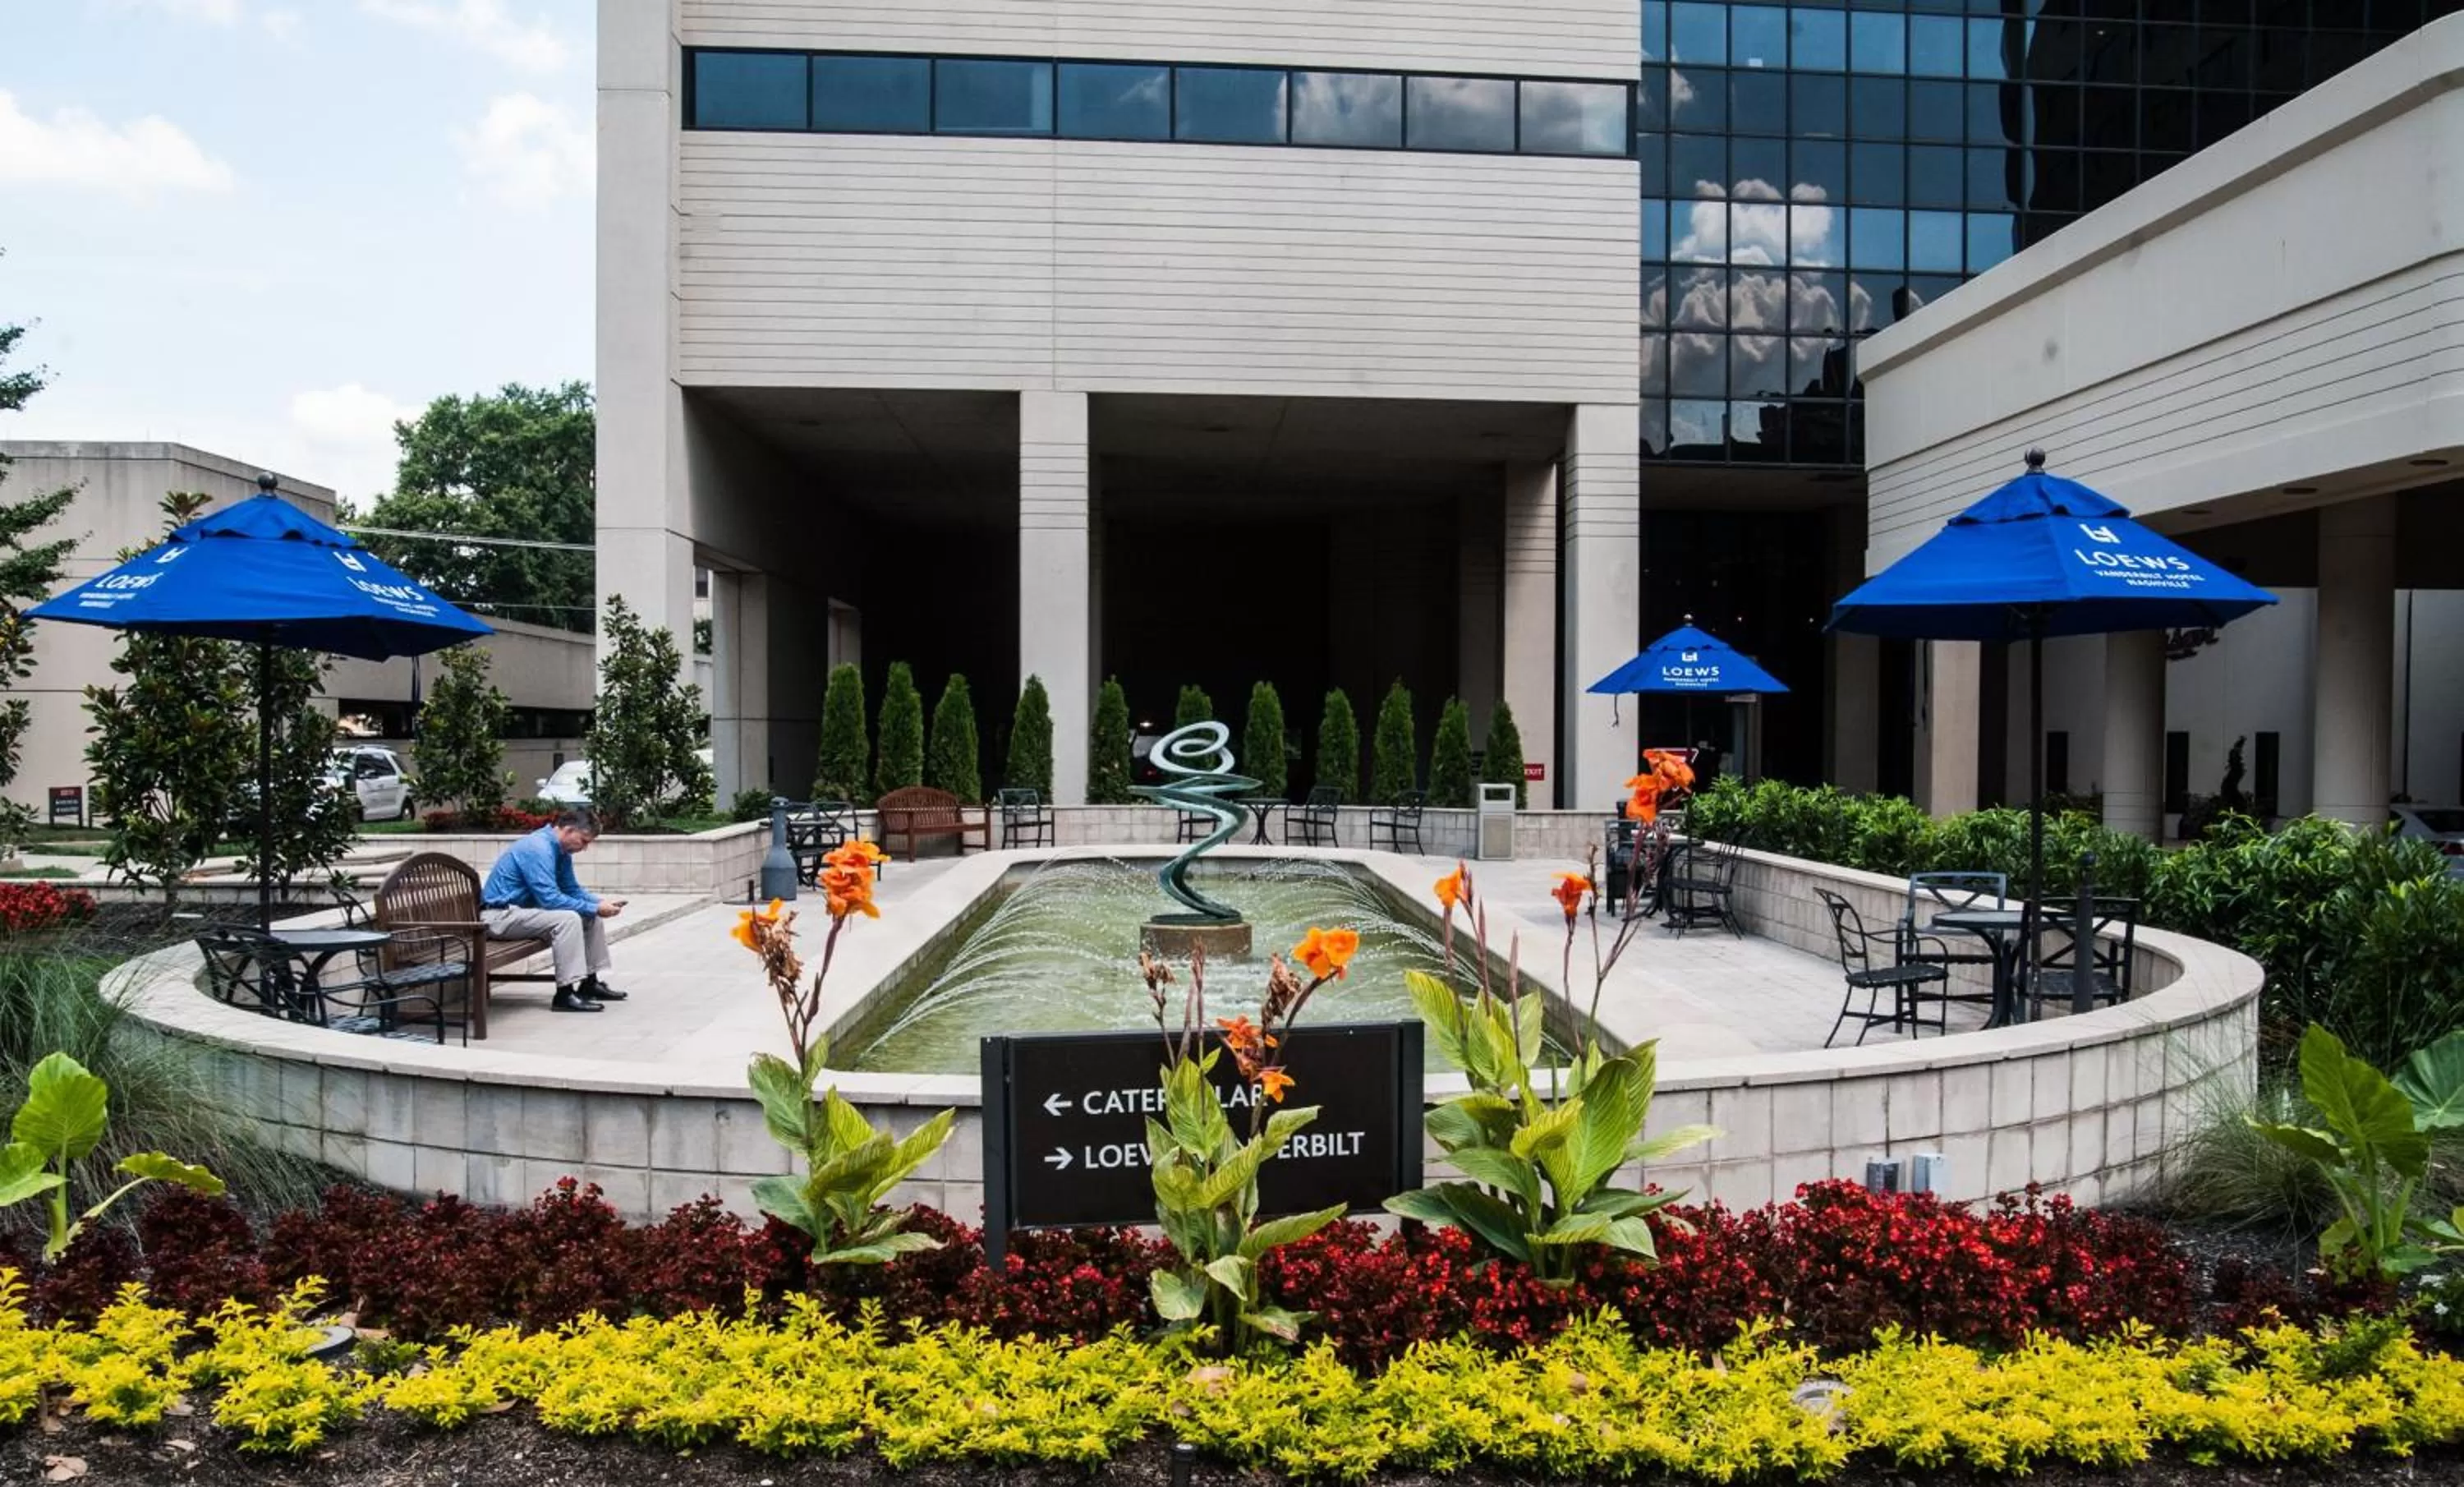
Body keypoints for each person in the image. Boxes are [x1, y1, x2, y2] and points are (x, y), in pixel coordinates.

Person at [480, 807, 627, 1014]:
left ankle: (589, 983)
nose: (584, 848)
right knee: (568, 919)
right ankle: (564, 994)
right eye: (584, 841)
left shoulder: (560, 850)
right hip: (498, 916)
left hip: (519, 914)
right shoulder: (537, 848)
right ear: (567, 830)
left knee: (589, 916)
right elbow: (550, 899)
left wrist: (599, 903)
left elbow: (570, 889)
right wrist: (595, 907)